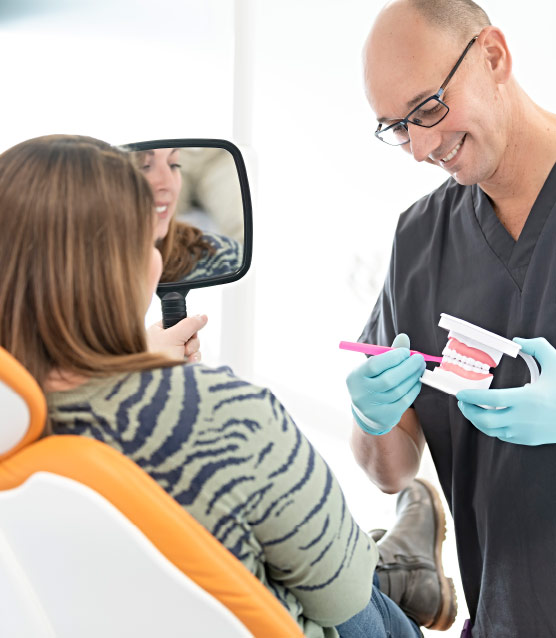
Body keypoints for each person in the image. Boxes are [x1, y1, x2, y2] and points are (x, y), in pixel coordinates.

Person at [0, 134, 456, 637]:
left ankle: (396, 566)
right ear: (127, 270)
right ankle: (398, 572)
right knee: (358, 589)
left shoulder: (15, 430)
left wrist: (128, 364)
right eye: (148, 244)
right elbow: (343, 595)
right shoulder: (223, 419)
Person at [348, 1, 556, 636]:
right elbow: (392, 470)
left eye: (429, 109)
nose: (421, 148)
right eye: (397, 127)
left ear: (492, 56)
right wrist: (372, 419)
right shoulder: (420, 243)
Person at [134, 147, 243, 283]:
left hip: (214, 154)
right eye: (145, 166)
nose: (169, 184)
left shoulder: (228, 254)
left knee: (240, 224)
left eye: (173, 166)